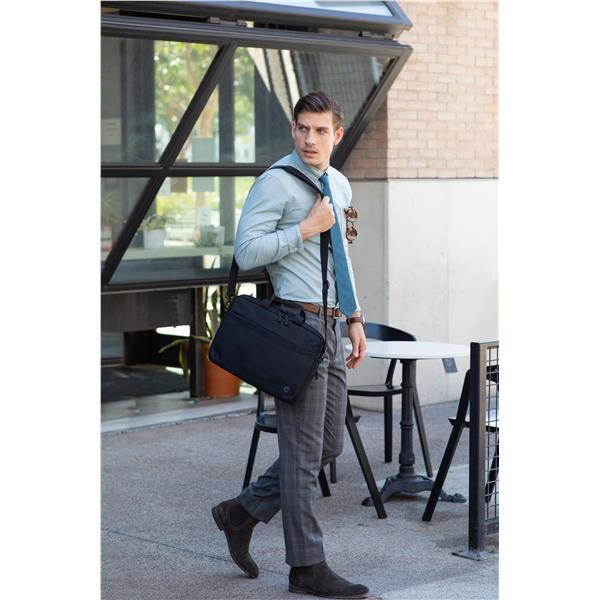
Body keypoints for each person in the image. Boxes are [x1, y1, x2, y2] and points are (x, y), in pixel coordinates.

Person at [211, 91, 369, 599]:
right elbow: (246, 251)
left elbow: (340, 257)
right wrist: (303, 228)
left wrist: (355, 317)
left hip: (332, 326)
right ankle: (306, 567)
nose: (309, 139)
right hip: (295, 328)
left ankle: (241, 512)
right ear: (294, 129)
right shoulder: (276, 182)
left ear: (337, 134)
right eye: (302, 128)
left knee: (328, 444)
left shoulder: (338, 183)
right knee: (301, 456)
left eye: (320, 130)